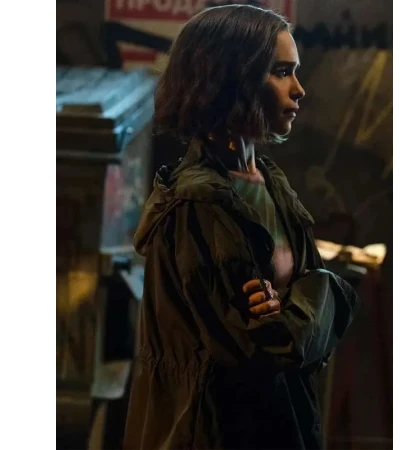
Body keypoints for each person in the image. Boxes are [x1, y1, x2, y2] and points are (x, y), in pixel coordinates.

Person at [124, 5, 359, 450]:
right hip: (212, 434)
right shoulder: (198, 202)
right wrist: (324, 291)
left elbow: (307, 330)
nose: (299, 89)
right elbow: (264, 346)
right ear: (233, 80)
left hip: (280, 422)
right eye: (281, 72)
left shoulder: (270, 180)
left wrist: (303, 299)